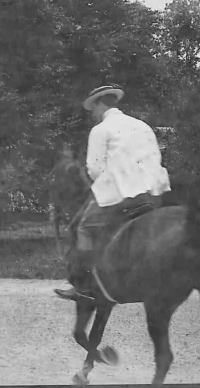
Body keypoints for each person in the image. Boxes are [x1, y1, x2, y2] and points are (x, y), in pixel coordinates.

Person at [54, 85, 171, 301]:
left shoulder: (101, 130)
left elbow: (95, 169)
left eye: (93, 109)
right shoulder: (143, 126)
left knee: (83, 228)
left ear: (99, 104)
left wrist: (105, 187)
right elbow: (156, 157)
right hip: (154, 192)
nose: (93, 115)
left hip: (123, 193)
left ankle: (84, 286)